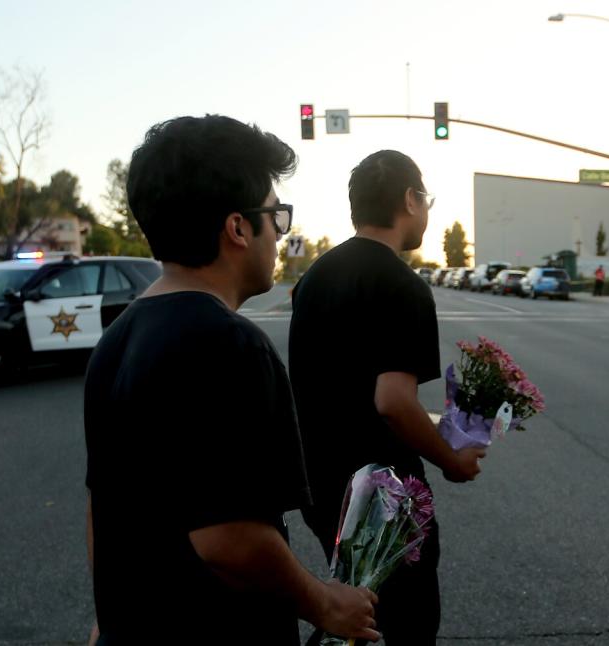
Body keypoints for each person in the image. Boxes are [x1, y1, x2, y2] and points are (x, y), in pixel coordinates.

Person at [83, 115, 380, 645]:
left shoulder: (117, 339)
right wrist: (325, 603)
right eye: (276, 216)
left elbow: (101, 508)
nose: (279, 232)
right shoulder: (228, 342)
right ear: (238, 228)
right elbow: (228, 536)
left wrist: (109, 615)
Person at [289, 150, 486, 645]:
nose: (428, 211)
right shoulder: (402, 285)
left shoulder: (315, 277)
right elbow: (391, 402)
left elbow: (339, 385)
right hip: (385, 498)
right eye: (427, 199)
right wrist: (451, 460)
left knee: (356, 616)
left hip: (323, 486)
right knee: (404, 625)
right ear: (409, 199)